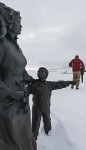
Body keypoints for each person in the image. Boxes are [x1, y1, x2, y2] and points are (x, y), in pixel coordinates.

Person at [0, 3, 37, 150]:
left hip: (21, 102)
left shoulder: (15, 45)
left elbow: (20, 70)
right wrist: (10, 92)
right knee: (13, 141)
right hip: (6, 105)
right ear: (9, 22)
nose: (21, 25)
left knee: (25, 138)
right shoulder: (2, 45)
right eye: (18, 22)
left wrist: (31, 79)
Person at [28, 67, 76, 140]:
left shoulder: (49, 85)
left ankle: (49, 134)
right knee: (35, 124)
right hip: (36, 108)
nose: (39, 72)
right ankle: (33, 139)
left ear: (46, 74)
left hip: (46, 107)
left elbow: (60, 83)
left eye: (42, 71)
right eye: (38, 71)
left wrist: (70, 82)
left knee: (47, 121)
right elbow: (25, 91)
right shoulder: (34, 85)